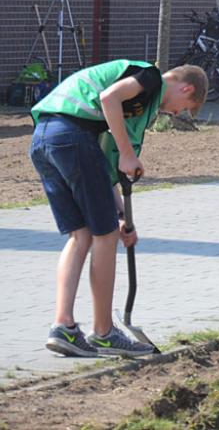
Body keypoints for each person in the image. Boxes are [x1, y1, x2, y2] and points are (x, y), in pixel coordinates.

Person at [30, 61, 208, 357]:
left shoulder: (135, 107)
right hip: (72, 139)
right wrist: (127, 154)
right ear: (185, 87)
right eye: (183, 107)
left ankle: (63, 327)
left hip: (46, 139)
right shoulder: (149, 78)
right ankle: (103, 332)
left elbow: (103, 164)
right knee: (105, 236)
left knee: (82, 235)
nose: (175, 113)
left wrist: (122, 214)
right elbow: (108, 98)